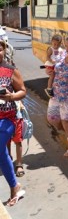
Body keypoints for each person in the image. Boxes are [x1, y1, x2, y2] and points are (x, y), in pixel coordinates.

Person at [0, 39, 27, 206]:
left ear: (3, 51)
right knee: (1, 153)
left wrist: (11, 96)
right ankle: (15, 186)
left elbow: (22, 91)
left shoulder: (10, 70)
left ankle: (14, 187)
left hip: (7, 118)